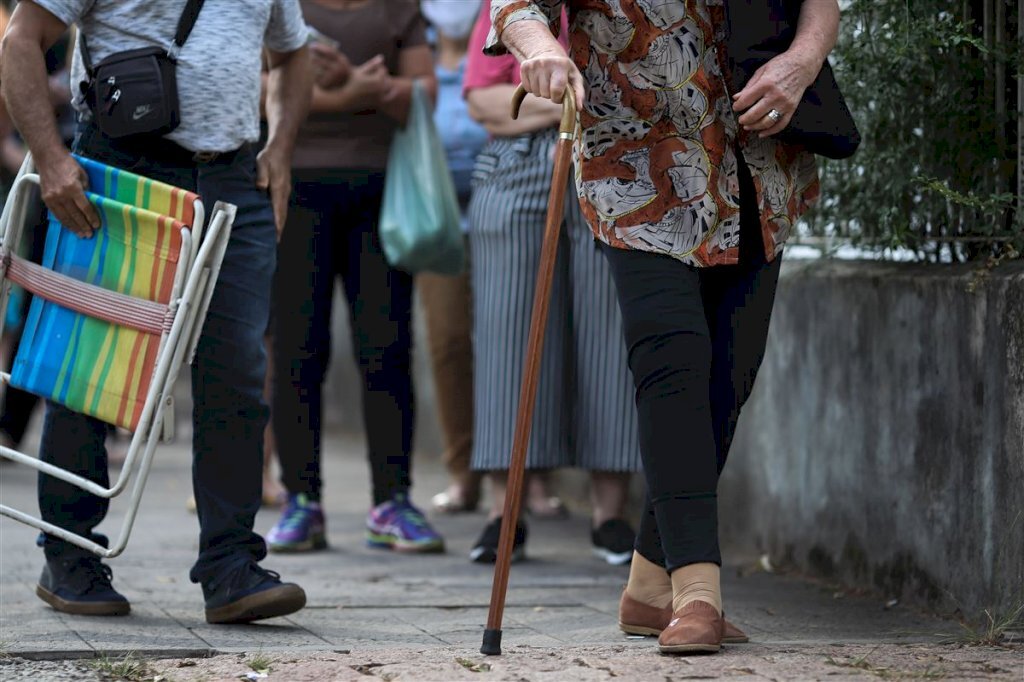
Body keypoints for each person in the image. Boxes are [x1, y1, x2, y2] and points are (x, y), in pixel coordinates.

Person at [486, 0, 835, 654]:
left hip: (758, 165)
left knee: (727, 379)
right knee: (672, 361)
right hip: (639, 167)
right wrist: (542, 48)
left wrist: (802, 61)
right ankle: (697, 595)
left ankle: (648, 589)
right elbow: (516, 4)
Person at [1, 0, 313, 623]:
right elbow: (19, 40)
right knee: (92, 366)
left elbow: (293, 54)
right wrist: (53, 160)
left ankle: (231, 568)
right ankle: (70, 555)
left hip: (233, 181)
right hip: (120, 168)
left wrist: (280, 150)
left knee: (237, 374)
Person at [463, 1, 641, 566]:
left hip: (614, 165)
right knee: (508, 331)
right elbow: (484, 104)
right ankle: (503, 512)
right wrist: (573, 96)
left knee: (610, 333)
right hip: (518, 167)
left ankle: (610, 514)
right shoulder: (513, 9)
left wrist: (550, 96)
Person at [265, 0, 445, 554]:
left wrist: (372, 88)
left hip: (381, 193)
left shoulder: (399, 7)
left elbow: (426, 92)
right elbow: (261, 93)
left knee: (387, 349)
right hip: (293, 192)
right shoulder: (282, 4)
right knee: (297, 350)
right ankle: (302, 500)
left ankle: (392, 500)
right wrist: (352, 92)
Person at [417, 0, 490, 516]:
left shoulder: (500, 40)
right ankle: (463, 473)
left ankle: (530, 479)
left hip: (503, 208)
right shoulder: (413, 49)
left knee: (514, 340)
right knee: (447, 343)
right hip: (437, 223)